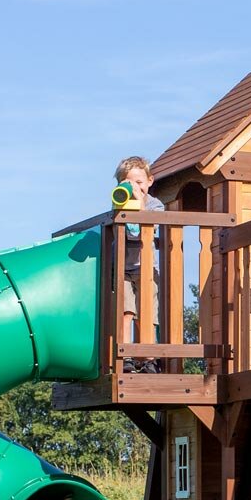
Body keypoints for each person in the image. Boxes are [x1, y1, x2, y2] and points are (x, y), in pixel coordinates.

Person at [115, 155, 165, 373]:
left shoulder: (154, 204)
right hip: (123, 269)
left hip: (147, 268)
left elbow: (151, 224)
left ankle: (147, 358)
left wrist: (140, 203)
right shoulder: (119, 202)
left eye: (139, 182)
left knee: (147, 314)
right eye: (128, 183)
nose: (135, 187)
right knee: (126, 312)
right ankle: (125, 357)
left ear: (150, 181)